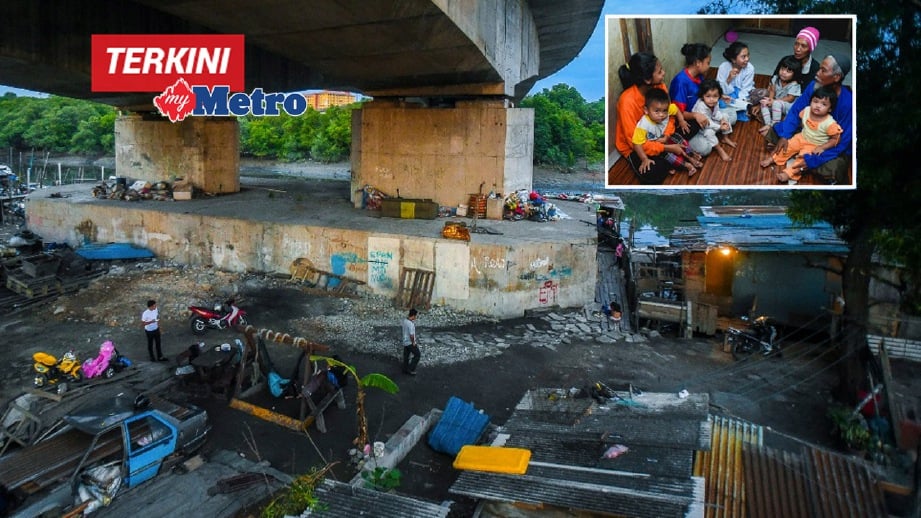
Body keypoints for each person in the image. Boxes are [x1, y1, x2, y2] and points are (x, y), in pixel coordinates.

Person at [763, 53, 853, 184]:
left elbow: (842, 141)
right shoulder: (813, 86)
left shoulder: (848, 103)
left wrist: (814, 160)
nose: (817, 73)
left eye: (823, 70)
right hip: (807, 131)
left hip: (826, 144)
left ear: (836, 77)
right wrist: (785, 135)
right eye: (819, 68)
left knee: (836, 167)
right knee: (778, 131)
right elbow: (795, 111)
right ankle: (801, 157)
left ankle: (804, 160)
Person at [614, 52, 700, 184]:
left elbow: (669, 115)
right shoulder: (626, 101)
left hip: (660, 132)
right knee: (653, 173)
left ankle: (672, 158)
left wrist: (666, 135)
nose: (664, 73)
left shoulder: (660, 86)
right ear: (648, 80)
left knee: (693, 122)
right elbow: (635, 142)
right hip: (639, 145)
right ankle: (673, 156)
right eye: (660, 72)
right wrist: (666, 147)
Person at [761, 86, 842, 184]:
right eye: (815, 101)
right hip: (801, 137)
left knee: (803, 159)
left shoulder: (830, 123)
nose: (818, 106)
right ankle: (773, 158)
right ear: (810, 101)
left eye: (823, 104)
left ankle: (789, 173)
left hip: (815, 145)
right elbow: (796, 118)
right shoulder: (806, 110)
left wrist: (822, 147)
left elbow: (835, 139)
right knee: (788, 146)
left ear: (830, 109)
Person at [631, 88, 704, 177]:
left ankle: (691, 155)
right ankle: (687, 165)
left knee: (680, 139)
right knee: (669, 157)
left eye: (664, 111)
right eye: (657, 111)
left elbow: (675, 109)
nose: (661, 115)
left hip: (667, 136)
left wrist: (681, 121)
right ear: (646, 110)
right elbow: (636, 144)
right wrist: (644, 159)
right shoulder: (643, 125)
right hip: (658, 146)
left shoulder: (668, 108)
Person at [757, 55, 802, 136]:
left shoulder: (794, 84)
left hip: (788, 106)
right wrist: (770, 100)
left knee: (776, 104)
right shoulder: (776, 78)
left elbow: (790, 98)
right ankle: (768, 124)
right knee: (764, 102)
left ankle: (774, 126)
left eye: (788, 71)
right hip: (777, 103)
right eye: (782, 69)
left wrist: (774, 101)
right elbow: (772, 90)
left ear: (795, 74)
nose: (784, 72)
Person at [692, 79, 736, 162]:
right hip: (703, 126)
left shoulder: (715, 103)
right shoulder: (701, 106)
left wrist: (722, 120)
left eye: (715, 96)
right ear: (702, 96)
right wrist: (720, 126)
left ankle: (725, 138)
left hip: (711, 120)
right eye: (708, 96)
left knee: (725, 116)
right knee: (709, 133)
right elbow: (708, 123)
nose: (712, 99)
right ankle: (719, 149)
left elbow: (716, 114)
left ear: (719, 96)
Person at [716, 41, 754, 121]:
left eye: (748, 55)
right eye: (743, 57)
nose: (747, 59)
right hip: (727, 94)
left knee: (762, 94)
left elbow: (746, 89)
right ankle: (740, 109)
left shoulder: (750, 68)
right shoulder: (723, 67)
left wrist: (739, 100)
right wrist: (729, 79)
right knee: (721, 102)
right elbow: (719, 89)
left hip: (743, 95)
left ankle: (736, 109)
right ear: (733, 59)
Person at [775, 26, 821, 92]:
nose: (798, 49)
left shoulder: (815, 68)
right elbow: (774, 80)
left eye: (803, 46)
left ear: (811, 49)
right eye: (796, 44)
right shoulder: (785, 60)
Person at [401, 308, 419, 375]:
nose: (415, 317)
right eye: (415, 316)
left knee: (406, 356)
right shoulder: (411, 324)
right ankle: (410, 369)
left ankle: (405, 369)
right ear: (413, 315)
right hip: (410, 342)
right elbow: (411, 335)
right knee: (417, 355)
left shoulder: (405, 321)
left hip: (405, 342)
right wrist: (413, 342)